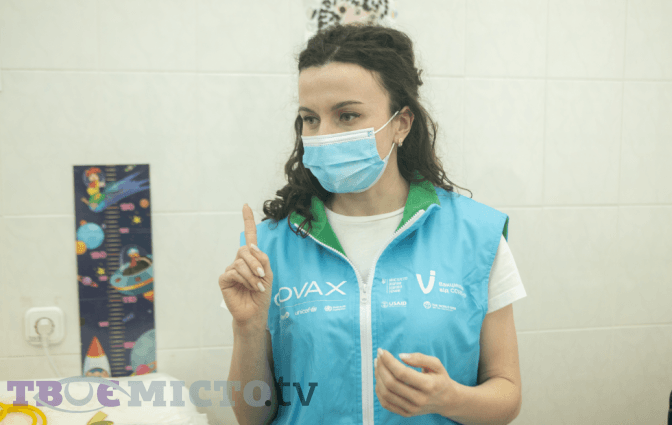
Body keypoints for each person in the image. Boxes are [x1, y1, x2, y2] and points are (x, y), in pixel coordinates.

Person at [220, 22, 527, 425]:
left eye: (347, 115)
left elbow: (507, 394)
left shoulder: (476, 236)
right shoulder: (269, 247)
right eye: (310, 119)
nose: (323, 135)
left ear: (402, 123)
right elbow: (251, 417)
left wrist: (449, 399)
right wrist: (247, 329)